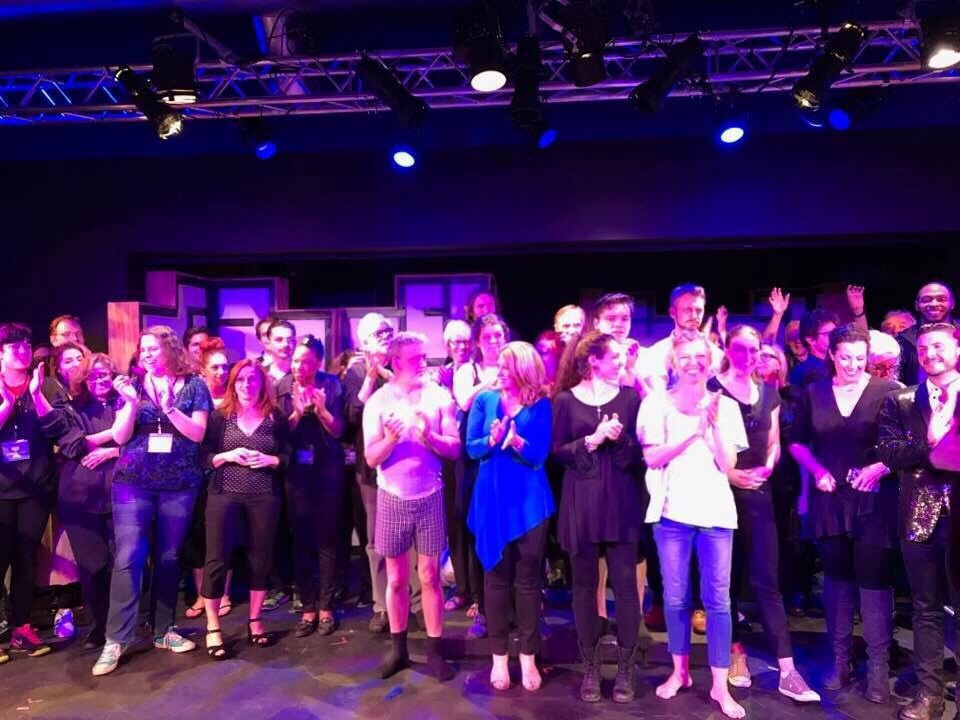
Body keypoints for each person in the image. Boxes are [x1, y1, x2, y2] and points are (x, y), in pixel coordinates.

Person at [636, 329, 747, 720]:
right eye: (685, 357)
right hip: (671, 515)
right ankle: (679, 672)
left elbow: (728, 465)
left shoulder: (726, 407)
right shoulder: (655, 404)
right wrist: (693, 432)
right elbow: (652, 458)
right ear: (673, 362)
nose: (693, 363)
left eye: (701, 356)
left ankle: (719, 685)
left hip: (716, 514)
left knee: (718, 601)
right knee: (676, 598)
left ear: (711, 362)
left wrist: (712, 427)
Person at [707, 326, 820, 702]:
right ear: (728, 349)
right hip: (719, 491)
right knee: (726, 580)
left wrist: (768, 467)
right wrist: (729, 474)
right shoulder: (712, 388)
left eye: (753, 349)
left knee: (766, 580)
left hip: (758, 491)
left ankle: (788, 670)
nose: (747, 356)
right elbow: (702, 440)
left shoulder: (769, 393)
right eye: (740, 349)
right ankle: (735, 653)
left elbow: (773, 443)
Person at [93, 325, 212, 676]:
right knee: (129, 556)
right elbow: (120, 437)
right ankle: (116, 638)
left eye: (152, 348)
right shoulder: (131, 385)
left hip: (180, 483)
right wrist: (131, 403)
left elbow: (198, 434)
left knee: (169, 556)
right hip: (134, 482)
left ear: (171, 350)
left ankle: (163, 629)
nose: (145, 354)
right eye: (142, 349)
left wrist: (169, 408)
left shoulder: (195, 386)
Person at [789, 324, 899, 703]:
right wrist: (816, 470)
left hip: (873, 502)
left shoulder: (888, 392)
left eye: (860, 358)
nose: (853, 365)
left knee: (873, 582)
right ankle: (840, 660)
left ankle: (879, 668)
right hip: (831, 501)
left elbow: (904, 445)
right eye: (846, 357)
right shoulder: (814, 393)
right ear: (832, 356)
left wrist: (880, 467)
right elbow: (797, 443)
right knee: (836, 581)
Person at [363, 331, 460, 681]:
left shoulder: (438, 396)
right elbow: (371, 457)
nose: (422, 362)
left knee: (430, 576)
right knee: (396, 579)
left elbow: (455, 448)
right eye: (414, 357)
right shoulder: (377, 401)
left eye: (423, 356)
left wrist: (429, 435)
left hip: (430, 494)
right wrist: (391, 439)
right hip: (392, 497)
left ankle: (434, 651)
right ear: (396, 361)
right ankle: (399, 650)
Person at [552, 332, 643, 703]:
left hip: (620, 501)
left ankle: (625, 669)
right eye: (614, 357)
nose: (621, 363)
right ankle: (590, 666)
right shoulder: (564, 400)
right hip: (581, 502)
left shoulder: (629, 398)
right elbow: (557, 452)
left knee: (625, 586)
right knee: (584, 587)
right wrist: (593, 439)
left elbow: (637, 455)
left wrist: (618, 438)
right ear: (594, 361)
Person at [878, 323, 960, 720]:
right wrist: (927, 443)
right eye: (923, 348)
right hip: (919, 515)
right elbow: (890, 454)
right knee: (926, 609)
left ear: (957, 350)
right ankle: (930, 696)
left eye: (938, 346)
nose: (930, 354)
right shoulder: (901, 400)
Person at [466, 341, 555, 692]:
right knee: (496, 579)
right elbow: (471, 448)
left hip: (529, 503)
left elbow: (539, 456)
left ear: (523, 371)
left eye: (506, 367)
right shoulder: (484, 401)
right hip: (492, 498)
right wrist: (490, 441)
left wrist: (516, 442)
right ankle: (499, 658)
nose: (499, 372)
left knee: (528, 581)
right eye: (499, 366)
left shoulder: (540, 405)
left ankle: (528, 657)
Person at [200, 360, 290, 659]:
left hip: (264, 496)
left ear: (262, 382)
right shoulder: (220, 416)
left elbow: (288, 456)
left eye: (252, 379)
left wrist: (270, 460)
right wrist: (227, 455)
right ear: (233, 383)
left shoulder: (275, 416)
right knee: (216, 560)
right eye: (240, 379)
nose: (246, 385)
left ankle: (255, 620)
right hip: (224, 495)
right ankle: (213, 627)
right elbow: (204, 457)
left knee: (260, 559)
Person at [34, 354, 123, 649]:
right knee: (92, 566)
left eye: (105, 375)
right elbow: (72, 444)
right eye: (93, 376)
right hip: (79, 496)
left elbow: (139, 441)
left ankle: (123, 624)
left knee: (122, 564)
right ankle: (99, 628)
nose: (100, 381)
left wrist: (114, 450)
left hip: (121, 494)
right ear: (84, 379)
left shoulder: (125, 403)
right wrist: (114, 437)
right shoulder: (72, 408)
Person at [345, 313, 424, 634]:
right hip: (373, 469)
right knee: (378, 540)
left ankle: (418, 602)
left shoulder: (403, 366)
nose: (385, 336)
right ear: (363, 341)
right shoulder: (354, 373)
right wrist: (370, 376)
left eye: (388, 330)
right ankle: (382, 606)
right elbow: (352, 416)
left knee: (414, 539)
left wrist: (389, 372)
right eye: (378, 333)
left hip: (410, 464)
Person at [277, 335, 346, 638]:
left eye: (305, 362)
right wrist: (295, 412)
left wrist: (321, 410)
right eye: (295, 360)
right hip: (296, 470)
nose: (298, 366)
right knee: (301, 539)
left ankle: (326, 607)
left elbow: (339, 430)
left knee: (327, 538)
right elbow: (279, 434)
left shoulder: (332, 384)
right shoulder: (281, 386)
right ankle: (307, 606)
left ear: (317, 363)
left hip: (327, 467)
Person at [0, 323, 57, 661]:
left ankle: (22, 628)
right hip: (2, 488)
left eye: (26, 345)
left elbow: (57, 428)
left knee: (26, 558)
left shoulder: (44, 384)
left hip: (37, 485)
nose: (22, 351)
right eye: (14, 346)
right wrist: (7, 404)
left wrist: (35, 395)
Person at [451, 313, 509, 638]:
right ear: (477, 342)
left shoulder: (513, 364)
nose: (494, 342)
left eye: (498, 335)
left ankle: (513, 605)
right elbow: (463, 401)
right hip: (477, 457)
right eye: (487, 337)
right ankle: (482, 604)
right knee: (479, 530)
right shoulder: (467, 371)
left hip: (509, 458)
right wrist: (492, 381)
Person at [183, 337, 232, 620]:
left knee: (223, 534)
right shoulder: (194, 396)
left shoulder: (234, 397)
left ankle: (223, 592)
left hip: (225, 473)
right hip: (194, 472)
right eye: (215, 367)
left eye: (225, 367)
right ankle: (203, 594)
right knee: (196, 535)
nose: (221, 372)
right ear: (202, 370)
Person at [897, 282, 957, 386]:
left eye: (941, 299)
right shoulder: (903, 341)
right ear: (917, 305)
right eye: (926, 300)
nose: (934, 304)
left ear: (952, 304)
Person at [788, 308, 839, 387]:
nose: (835, 336)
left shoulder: (836, 363)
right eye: (828, 334)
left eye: (835, 331)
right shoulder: (804, 372)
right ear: (810, 340)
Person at [263, 318, 295, 384]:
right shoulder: (260, 374)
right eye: (279, 340)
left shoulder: (304, 374)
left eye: (290, 340)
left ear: (294, 343)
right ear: (268, 344)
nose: (285, 344)